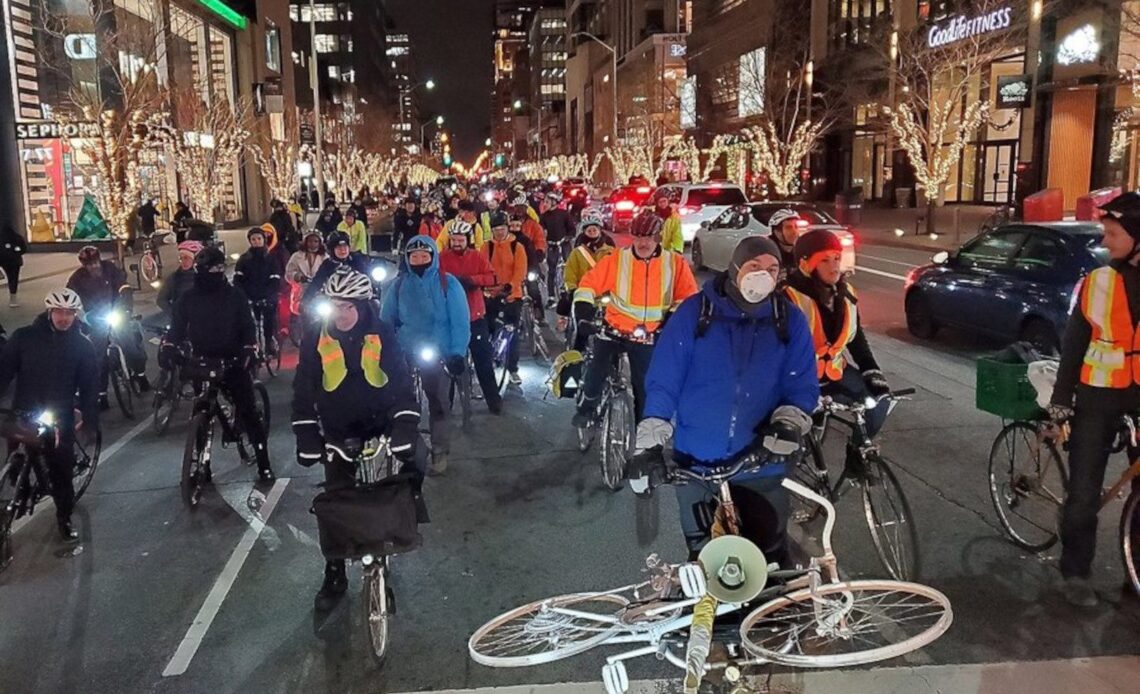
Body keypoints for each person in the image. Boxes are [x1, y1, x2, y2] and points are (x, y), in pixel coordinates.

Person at [629, 236, 819, 561]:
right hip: (696, 465)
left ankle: (770, 612)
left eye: (772, 269)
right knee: (706, 563)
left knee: (769, 561)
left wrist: (788, 424)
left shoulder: (788, 320)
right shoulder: (694, 314)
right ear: (734, 269)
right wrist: (649, 444)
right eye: (754, 266)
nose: (764, 275)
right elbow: (664, 381)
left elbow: (801, 384)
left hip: (761, 463)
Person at [292, 268, 422, 610]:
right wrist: (307, 435)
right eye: (335, 306)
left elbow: (402, 384)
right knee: (336, 501)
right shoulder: (315, 338)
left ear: (364, 307)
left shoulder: (382, 334)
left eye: (349, 306)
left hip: (379, 428)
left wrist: (404, 427)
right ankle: (334, 572)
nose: (341, 314)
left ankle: (385, 559)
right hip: (337, 432)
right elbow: (303, 389)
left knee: (399, 483)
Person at [1050, 192, 1140, 607]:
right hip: (1098, 395)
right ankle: (1075, 573)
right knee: (1085, 488)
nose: (1106, 241)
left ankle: (1134, 573)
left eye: (1114, 233)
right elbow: (1074, 343)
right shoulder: (1099, 281)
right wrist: (1061, 399)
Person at [571, 209, 699, 427]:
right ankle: (588, 407)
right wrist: (583, 311)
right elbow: (589, 284)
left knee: (645, 386)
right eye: (639, 238)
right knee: (597, 369)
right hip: (615, 328)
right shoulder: (618, 259)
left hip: (649, 335)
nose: (643, 243)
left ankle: (644, 437)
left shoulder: (675, 263)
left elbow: (687, 296)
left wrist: (671, 319)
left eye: (649, 238)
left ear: (657, 238)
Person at [161, 246, 274, 481]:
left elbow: (248, 326)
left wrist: (248, 348)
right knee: (200, 410)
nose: (217, 272)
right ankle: (201, 465)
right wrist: (170, 346)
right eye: (212, 268)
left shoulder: (234, 295)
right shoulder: (188, 299)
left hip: (233, 360)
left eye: (221, 268)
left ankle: (264, 463)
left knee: (248, 409)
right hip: (202, 360)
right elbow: (177, 327)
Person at [0, 288, 100, 541]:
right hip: (24, 408)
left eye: (69, 313)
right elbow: (4, 371)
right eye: (59, 312)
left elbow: (89, 387)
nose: (64, 318)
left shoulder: (83, 347)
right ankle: (17, 482)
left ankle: (63, 518)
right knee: (16, 455)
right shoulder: (25, 337)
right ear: (49, 312)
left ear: (76, 315)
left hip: (59, 416)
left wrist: (90, 419)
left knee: (61, 470)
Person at [784, 229, 890, 443]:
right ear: (806, 265)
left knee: (880, 403)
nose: (834, 267)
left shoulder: (846, 292)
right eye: (824, 260)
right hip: (800, 379)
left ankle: (858, 461)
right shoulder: (787, 297)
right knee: (802, 441)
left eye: (837, 259)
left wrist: (872, 370)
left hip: (835, 372)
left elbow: (856, 339)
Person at [380, 236, 470, 475]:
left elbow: (460, 322)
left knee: (439, 401)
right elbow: (385, 320)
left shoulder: (447, 283)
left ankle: (440, 449)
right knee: (399, 400)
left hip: (437, 351)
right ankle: (407, 445)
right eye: (414, 256)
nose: (419, 260)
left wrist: (457, 353)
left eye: (424, 256)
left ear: (433, 257)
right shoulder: (398, 285)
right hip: (405, 350)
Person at [438, 220, 503, 415]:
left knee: (483, 359)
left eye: (460, 240)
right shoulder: (442, 258)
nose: (457, 243)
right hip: (448, 317)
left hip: (474, 316)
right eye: (454, 240)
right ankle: (444, 404)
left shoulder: (477, 256)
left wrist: (472, 281)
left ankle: (493, 399)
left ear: (468, 240)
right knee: (446, 361)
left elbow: (492, 277)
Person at [67, 246, 142, 403]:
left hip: (117, 312)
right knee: (97, 356)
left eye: (95, 262)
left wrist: (126, 307)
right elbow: (70, 299)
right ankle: (101, 394)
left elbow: (124, 286)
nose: (94, 266)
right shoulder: (77, 278)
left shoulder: (110, 269)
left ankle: (140, 375)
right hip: (96, 318)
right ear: (83, 265)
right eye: (89, 264)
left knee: (130, 346)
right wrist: (82, 318)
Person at [482, 212, 529, 386]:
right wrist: (486, 285)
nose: (499, 233)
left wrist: (511, 285)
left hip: (512, 295)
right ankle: (490, 360)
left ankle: (513, 368)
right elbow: (483, 267)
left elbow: (520, 270)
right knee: (489, 329)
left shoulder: (517, 246)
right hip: (492, 293)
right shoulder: (487, 247)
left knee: (512, 332)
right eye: (496, 229)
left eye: (502, 229)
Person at [559, 212, 615, 351]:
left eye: (594, 229)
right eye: (589, 230)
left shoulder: (611, 252)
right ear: (584, 232)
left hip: (606, 296)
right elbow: (570, 274)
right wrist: (572, 289)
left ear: (600, 230)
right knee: (582, 329)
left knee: (613, 332)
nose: (592, 232)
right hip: (585, 298)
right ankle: (577, 357)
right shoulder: (577, 253)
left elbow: (617, 272)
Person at [234, 227, 282, 356]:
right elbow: (238, 280)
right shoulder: (244, 259)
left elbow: (275, 279)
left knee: (269, 319)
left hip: (267, 296)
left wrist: (270, 295)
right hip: (250, 296)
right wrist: (242, 296)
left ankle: (270, 341)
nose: (256, 241)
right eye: (253, 239)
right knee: (249, 322)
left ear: (264, 240)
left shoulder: (271, 259)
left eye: (259, 239)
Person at [303, 231, 371, 307]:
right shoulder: (327, 264)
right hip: (334, 302)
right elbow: (317, 282)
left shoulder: (357, 259)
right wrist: (306, 300)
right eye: (339, 247)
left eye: (345, 246)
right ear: (332, 250)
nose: (343, 250)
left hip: (357, 300)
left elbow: (367, 277)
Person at [540, 193, 576, 299]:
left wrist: (568, 237)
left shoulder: (564, 214)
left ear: (554, 202)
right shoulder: (543, 217)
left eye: (547, 202)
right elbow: (542, 231)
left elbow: (572, 229)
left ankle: (572, 290)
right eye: (544, 202)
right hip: (552, 245)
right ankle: (551, 296)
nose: (545, 204)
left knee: (570, 266)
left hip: (564, 244)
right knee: (551, 270)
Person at [155, 240, 202, 320]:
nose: (183, 262)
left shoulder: (204, 277)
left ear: (194, 260)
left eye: (186, 258)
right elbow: (161, 299)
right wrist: (174, 314)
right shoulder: (175, 278)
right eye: (181, 258)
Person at [0, 223, 27, 307]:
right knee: (14, 279)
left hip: (4, 261)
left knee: (9, 277)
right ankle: (13, 298)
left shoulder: (1, 238)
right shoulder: (17, 237)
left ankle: (12, 296)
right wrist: (17, 252)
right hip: (15, 262)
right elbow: (24, 249)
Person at [768, 209, 804, 273]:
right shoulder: (767, 252)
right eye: (789, 228)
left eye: (796, 227)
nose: (794, 232)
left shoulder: (803, 250)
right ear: (777, 231)